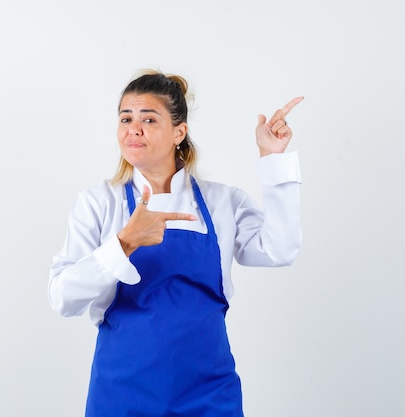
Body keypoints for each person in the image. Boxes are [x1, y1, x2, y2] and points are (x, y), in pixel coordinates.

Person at [48, 70, 303, 417]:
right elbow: (63, 298)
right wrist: (124, 243)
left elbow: (280, 249)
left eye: (148, 119)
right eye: (126, 118)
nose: (133, 128)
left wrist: (272, 159)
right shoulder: (98, 203)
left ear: (178, 132)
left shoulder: (220, 202)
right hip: (123, 393)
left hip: (209, 393)